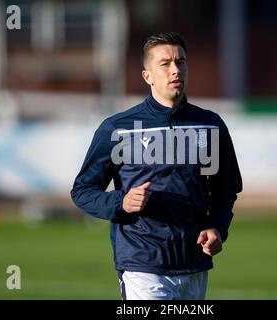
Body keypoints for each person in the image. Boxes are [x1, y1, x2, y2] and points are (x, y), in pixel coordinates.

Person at [71, 32, 242, 300]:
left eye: (181, 62)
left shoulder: (210, 125)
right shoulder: (118, 129)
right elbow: (82, 190)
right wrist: (121, 203)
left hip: (193, 262)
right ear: (147, 76)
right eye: (165, 64)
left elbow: (226, 188)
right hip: (143, 263)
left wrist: (217, 226)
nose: (175, 70)